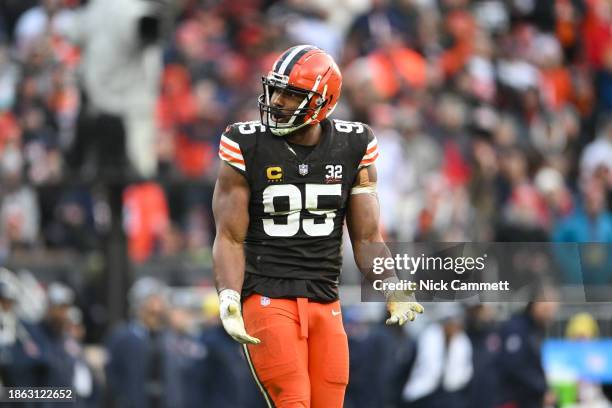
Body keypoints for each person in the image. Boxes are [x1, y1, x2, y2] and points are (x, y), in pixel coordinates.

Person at [212, 44, 424, 408]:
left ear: (321, 102)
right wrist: (229, 295)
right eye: (275, 89)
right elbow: (229, 235)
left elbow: (367, 235)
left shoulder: (353, 143)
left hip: (326, 298)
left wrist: (391, 285)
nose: (277, 101)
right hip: (267, 295)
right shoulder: (245, 142)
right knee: (293, 401)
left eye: (290, 94)